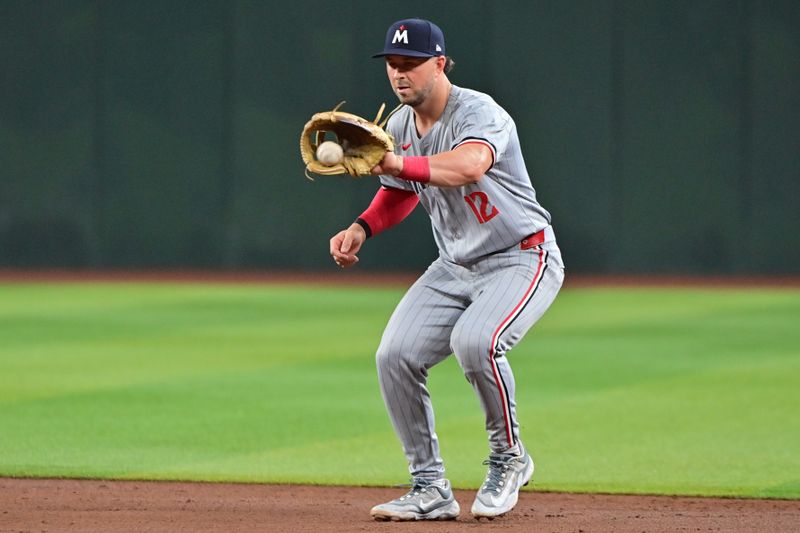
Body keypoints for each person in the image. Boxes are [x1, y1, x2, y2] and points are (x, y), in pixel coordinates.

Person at [329, 18, 565, 521]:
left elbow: (467, 167)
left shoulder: (479, 111)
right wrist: (362, 228)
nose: (400, 73)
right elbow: (399, 193)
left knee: (476, 342)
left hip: (521, 256)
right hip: (455, 265)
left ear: (440, 63)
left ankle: (509, 457)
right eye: (393, 64)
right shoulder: (397, 127)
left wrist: (395, 166)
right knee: (394, 356)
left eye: (411, 63)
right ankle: (430, 487)